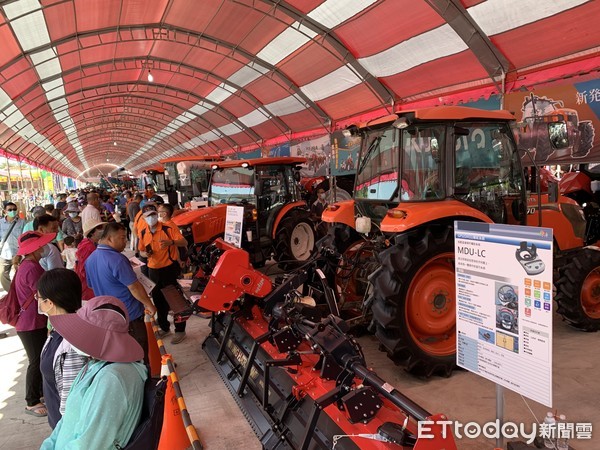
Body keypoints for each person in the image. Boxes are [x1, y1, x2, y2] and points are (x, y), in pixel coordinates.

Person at [40, 296, 147, 449]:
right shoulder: (94, 365)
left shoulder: (111, 378)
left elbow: (89, 445)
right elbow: (67, 420)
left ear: (99, 338)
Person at [85, 222, 157, 359]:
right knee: (139, 355)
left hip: (108, 317)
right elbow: (134, 287)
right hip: (129, 316)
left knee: (121, 356)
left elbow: (91, 285)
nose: (125, 242)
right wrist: (149, 304)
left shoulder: (90, 260)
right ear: (110, 239)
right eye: (122, 238)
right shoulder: (117, 259)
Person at [14, 231, 57, 417]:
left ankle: (38, 394)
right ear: (36, 248)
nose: (44, 247)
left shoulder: (28, 264)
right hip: (30, 323)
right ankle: (31, 401)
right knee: (36, 361)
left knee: (39, 358)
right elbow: (42, 294)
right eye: (41, 244)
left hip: (31, 321)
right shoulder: (31, 268)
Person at [38, 268, 88, 428]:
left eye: (39, 298)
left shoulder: (70, 343)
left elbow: (71, 404)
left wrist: (63, 438)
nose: (37, 302)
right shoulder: (58, 331)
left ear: (50, 303)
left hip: (67, 430)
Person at [140, 203, 188, 344]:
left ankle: (180, 330)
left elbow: (184, 241)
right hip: (153, 270)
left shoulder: (168, 228)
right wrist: (145, 253)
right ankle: (164, 327)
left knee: (175, 300)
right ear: (143, 218)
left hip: (169, 269)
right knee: (159, 300)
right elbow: (141, 251)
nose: (151, 218)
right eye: (148, 216)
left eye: (154, 214)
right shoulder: (143, 232)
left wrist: (171, 242)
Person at [76, 219, 106, 300]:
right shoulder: (88, 247)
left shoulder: (90, 243)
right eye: (99, 228)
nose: (102, 230)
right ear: (92, 232)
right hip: (88, 286)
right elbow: (84, 270)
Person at [0, 202, 25, 292]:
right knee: (2, 275)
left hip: (18, 254)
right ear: (5, 211)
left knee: (20, 275)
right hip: (4, 254)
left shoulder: (22, 222)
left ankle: (20, 291)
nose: (12, 211)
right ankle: (11, 292)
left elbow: (24, 238)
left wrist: (20, 253)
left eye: (14, 209)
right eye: (10, 210)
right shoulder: (0, 223)